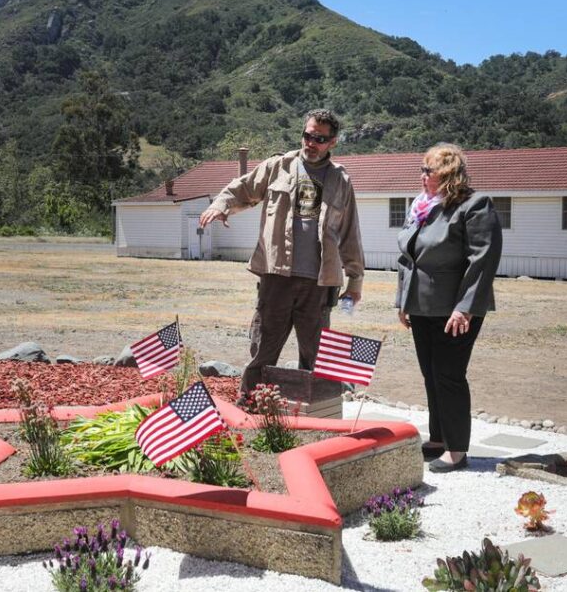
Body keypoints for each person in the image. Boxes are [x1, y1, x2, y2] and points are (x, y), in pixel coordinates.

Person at [199, 109, 365, 402]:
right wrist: (221, 205)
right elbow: (243, 189)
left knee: (316, 356)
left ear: (333, 142)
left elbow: (350, 233)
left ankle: (316, 414)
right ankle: (250, 407)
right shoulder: (278, 166)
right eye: (307, 135)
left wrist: (355, 281)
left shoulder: (341, 180)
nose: (311, 142)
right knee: (263, 349)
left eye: (319, 138)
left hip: (319, 282)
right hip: (276, 277)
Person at [395, 143, 502, 473]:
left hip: (455, 308)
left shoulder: (474, 204)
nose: (422, 176)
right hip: (422, 305)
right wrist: (403, 300)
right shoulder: (422, 206)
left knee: (449, 375)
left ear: (449, 174)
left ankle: (457, 450)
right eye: (422, 169)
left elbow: (482, 259)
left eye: (429, 170)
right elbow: (407, 256)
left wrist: (465, 307)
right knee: (431, 374)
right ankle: (439, 437)